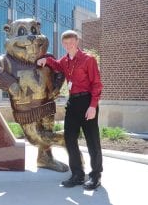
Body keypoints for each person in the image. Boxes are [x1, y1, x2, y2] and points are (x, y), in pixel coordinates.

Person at [37, 30, 103, 190]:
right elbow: (56, 64)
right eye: (65, 43)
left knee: (92, 141)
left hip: (87, 101)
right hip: (73, 102)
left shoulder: (89, 59)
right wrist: (45, 59)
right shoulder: (65, 61)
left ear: (77, 41)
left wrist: (93, 106)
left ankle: (95, 176)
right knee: (70, 139)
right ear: (63, 44)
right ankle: (77, 175)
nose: (69, 45)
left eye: (71, 42)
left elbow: (97, 84)